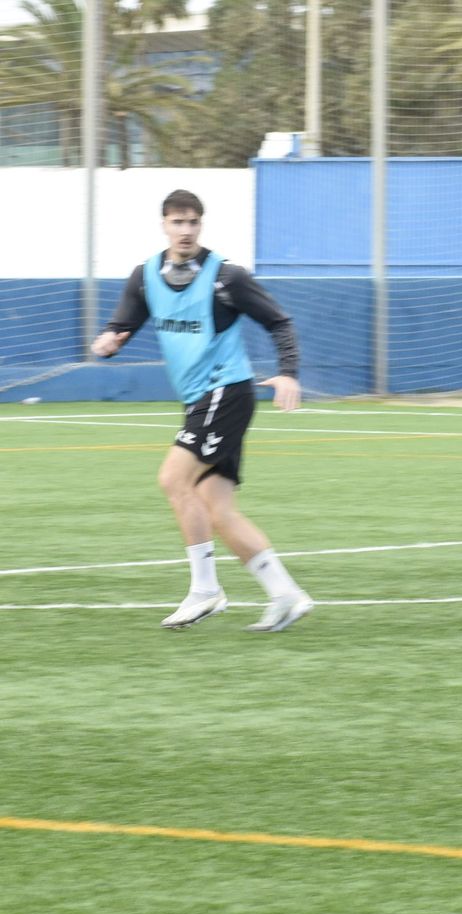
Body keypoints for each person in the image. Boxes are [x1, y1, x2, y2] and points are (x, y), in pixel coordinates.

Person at [90, 189, 313, 633]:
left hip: (226, 392)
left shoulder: (226, 277)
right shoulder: (145, 276)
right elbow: (123, 323)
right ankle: (286, 594)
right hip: (199, 399)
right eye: (178, 222)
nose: (186, 230)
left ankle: (206, 591)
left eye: (193, 222)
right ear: (164, 225)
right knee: (217, 510)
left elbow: (279, 321)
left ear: (201, 225)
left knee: (173, 479)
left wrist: (287, 372)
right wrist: (110, 341)